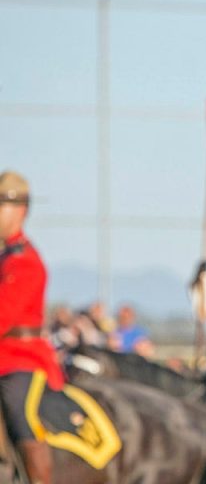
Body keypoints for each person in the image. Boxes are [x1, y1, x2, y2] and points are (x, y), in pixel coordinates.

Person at [0, 171, 60, 483]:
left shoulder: (25, 261)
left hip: (21, 358)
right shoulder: (4, 257)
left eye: (2, 205)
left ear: (21, 209)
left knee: (17, 407)